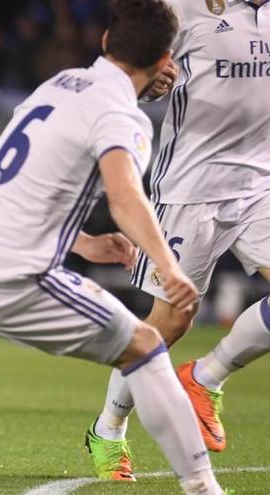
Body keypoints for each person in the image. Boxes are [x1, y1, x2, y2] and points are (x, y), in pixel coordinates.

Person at [0, 1, 226, 493]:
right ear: (164, 61)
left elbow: (25, 186)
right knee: (146, 348)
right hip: (6, 277)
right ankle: (203, 487)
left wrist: (85, 242)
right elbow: (124, 196)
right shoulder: (123, 118)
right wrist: (167, 266)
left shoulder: (61, 83)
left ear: (104, 42)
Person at [86, 0, 270, 481]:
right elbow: (128, 68)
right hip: (193, 187)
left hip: (260, 186)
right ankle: (108, 427)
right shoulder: (181, 8)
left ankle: (206, 377)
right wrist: (153, 84)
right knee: (168, 322)